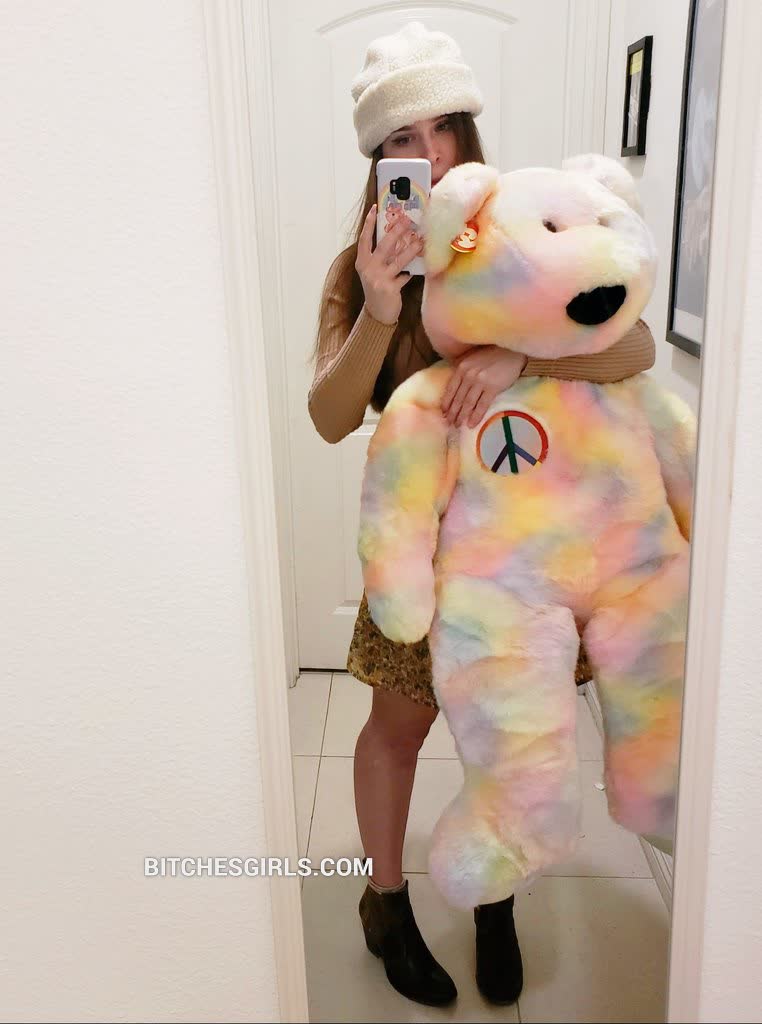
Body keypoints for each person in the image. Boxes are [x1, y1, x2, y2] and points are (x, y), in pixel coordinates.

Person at [307, 21, 656, 1009]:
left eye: (440, 128)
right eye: (400, 139)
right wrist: (380, 308)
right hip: (419, 553)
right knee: (397, 729)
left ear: (466, 131)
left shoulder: (522, 234)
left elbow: (631, 349)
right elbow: (328, 416)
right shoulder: (360, 268)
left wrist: (521, 355)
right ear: (378, 160)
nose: (425, 153)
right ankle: (385, 902)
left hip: (523, 555)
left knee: (503, 736)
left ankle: (495, 900)